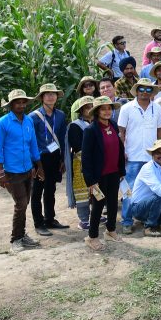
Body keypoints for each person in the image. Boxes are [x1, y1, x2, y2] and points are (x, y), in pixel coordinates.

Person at [0, 89, 42, 252]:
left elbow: (33, 145)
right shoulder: (2, 123)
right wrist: (0, 173)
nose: (21, 105)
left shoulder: (28, 121)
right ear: (11, 105)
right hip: (11, 172)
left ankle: (22, 235)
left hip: (28, 169)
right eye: (17, 102)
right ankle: (16, 239)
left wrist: (38, 166)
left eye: (23, 102)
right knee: (20, 203)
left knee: (24, 203)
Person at [117, 78, 161, 234]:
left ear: (152, 92)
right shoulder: (127, 108)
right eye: (142, 89)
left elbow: (160, 132)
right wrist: (122, 151)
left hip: (151, 158)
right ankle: (127, 221)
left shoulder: (157, 108)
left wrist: (160, 152)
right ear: (136, 91)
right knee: (129, 191)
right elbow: (121, 133)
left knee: (153, 191)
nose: (145, 92)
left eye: (148, 90)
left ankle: (149, 221)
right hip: (132, 157)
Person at [80, 96, 125, 251]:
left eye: (109, 108)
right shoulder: (91, 130)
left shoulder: (113, 124)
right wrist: (91, 181)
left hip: (114, 173)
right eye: (103, 108)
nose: (107, 111)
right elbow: (85, 158)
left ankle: (110, 230)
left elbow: (119, 149)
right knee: (98, 206)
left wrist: (122, 170)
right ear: (97, 111)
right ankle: (92, 237)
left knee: (113, 203)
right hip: (98, 176)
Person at [29, 83, 69, 236]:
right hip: (39, 158)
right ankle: (39, 224)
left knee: (51, 189)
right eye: (47, 94)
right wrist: (34, 164)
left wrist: (63, 159)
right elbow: (30, 140)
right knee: (37, 191)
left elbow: (63, 138)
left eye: (53, 94)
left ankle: (50, 219)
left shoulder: (60, 115)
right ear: (42, 98)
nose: (51, 96)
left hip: (55, 157)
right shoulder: (33, 117)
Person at [64, 95, 95, 230]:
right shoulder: (75, 126)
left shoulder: (98, 124)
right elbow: (77, 146)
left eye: (92, 107)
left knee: (96, 190)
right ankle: (83, 219)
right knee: (82, 192)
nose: (90, 110)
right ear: (81, 110)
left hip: (97, 162)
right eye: (87, 108)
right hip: (81, 163)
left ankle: (96, 215)